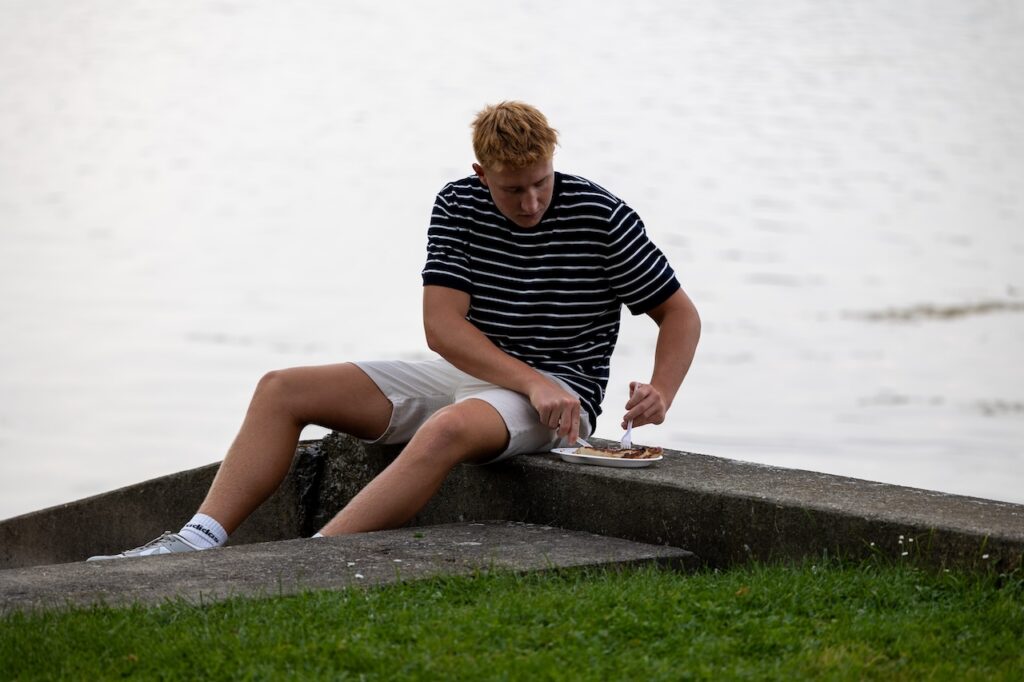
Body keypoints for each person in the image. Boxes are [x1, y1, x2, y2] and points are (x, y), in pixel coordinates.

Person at [88, 101, 701, 560]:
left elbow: (679, 313)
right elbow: (443, 329)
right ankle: (193, 542)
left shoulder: (600, 216)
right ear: (480, 173)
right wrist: (524, 380)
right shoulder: (458, 203)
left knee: (448, 428)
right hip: (476, 372)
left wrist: (662, 391)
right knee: (282, 388)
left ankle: (311, 562)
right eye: (513, 189)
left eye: (541, 182)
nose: (531, 203)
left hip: (561, 396)